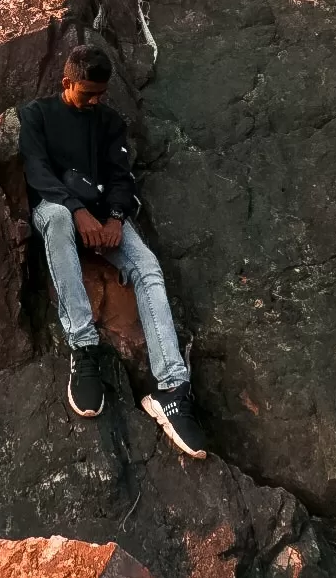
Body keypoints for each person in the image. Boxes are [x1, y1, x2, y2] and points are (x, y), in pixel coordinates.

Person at [18, 45, 207, 459]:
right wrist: (77, 210)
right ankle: (84, 348)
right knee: (56, 219)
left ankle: (171, 391)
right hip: (60, 208)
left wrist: (116, 218)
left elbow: (122, 178)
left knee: (147, 268)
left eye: (101, 93)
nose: (96, 100)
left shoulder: (109, 122)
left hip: (107, 218)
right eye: (88, 93)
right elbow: (37, 171)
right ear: (67, 83)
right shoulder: (36, 115)